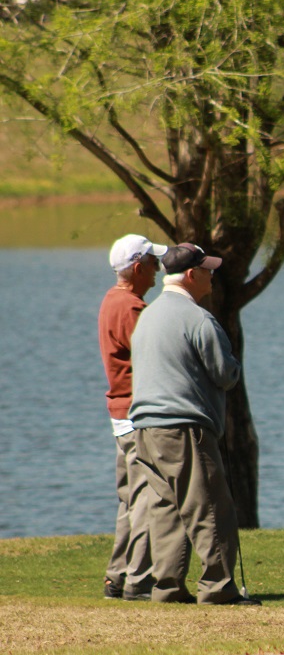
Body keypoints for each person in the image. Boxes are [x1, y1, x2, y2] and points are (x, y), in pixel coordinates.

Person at [128, 243, 259, 605]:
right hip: (184, 427)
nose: (212, 277)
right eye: (207, 270)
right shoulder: (198, 318)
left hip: (145, 428)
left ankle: (167, 588)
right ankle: (218, 589)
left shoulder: (148, 316)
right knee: (210, 507)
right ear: (191, 275)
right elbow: (226, 373)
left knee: (166, 508)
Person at [98, 234, 168, 601]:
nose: (158, 272)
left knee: (130, 500)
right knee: (144, 500)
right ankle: (138, 579)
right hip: (136, 414)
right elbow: (154, 358)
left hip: (120, 414)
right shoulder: (131, 309)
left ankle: (117, 575)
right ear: (138, 267)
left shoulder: (113, 299)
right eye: (153, 264)